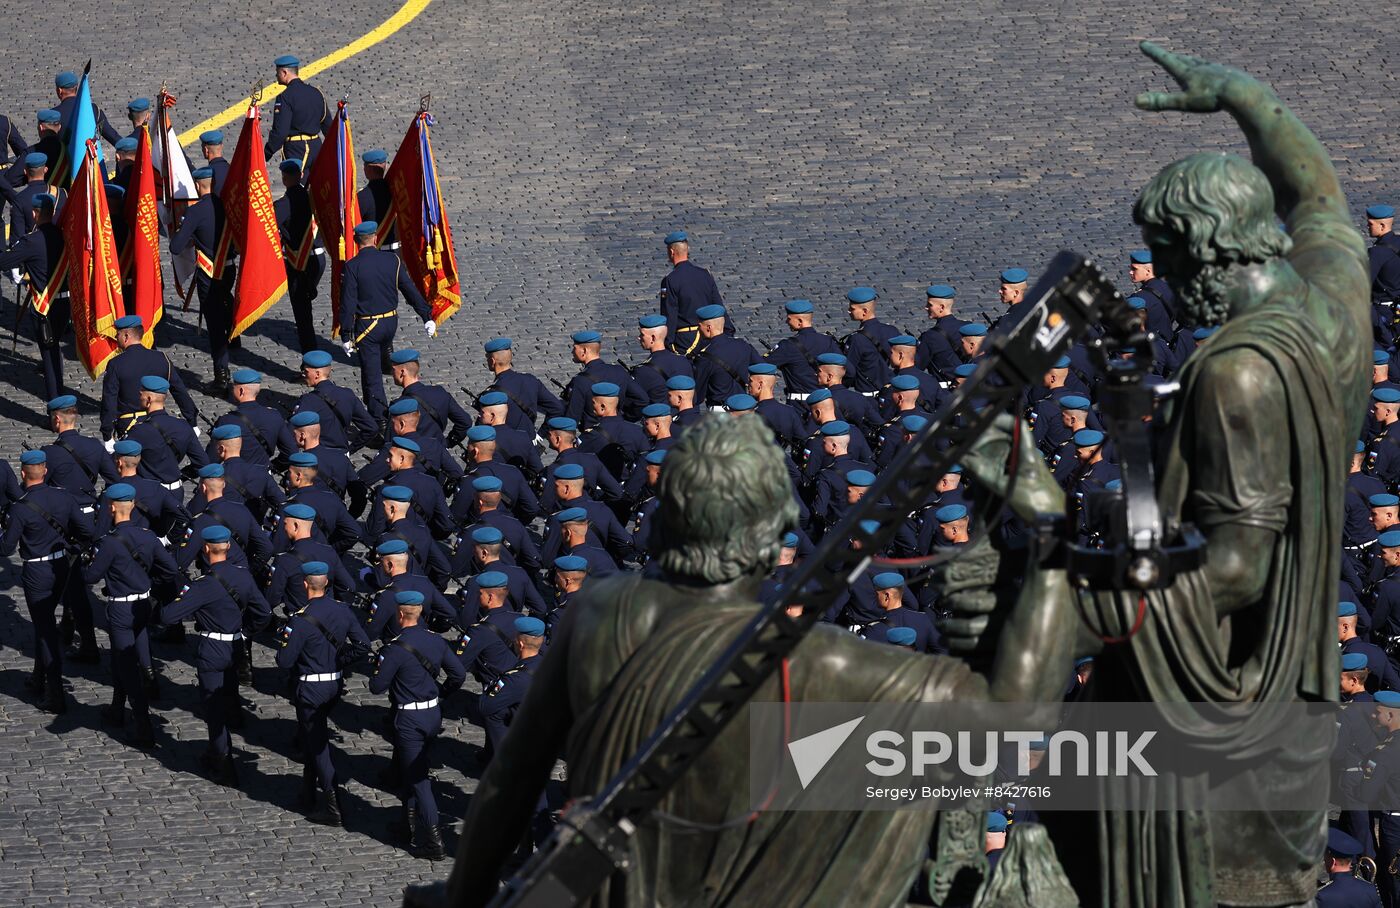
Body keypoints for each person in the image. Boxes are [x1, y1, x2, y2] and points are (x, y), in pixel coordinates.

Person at [443, 413, 1079, 906]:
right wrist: (1047, 534)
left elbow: (509, 785)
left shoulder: (597, 611)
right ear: (773, 536)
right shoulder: (823, 660)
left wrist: (461, 898)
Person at [160, 525, 272, 784]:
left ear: (206, 549)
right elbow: (264, 613)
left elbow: (168, 616)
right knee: (229, 693)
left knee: (213, 708)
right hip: (235, 646)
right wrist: (245, 633)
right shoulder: (243, 576)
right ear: (229, 547)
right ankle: (217, 748)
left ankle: (223, 763)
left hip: (212, 649)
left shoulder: (204, 585)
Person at [367, 590, 465, 858]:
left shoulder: (395, 649)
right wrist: (441, 693)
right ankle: (406, 824)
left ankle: (434, 842)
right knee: (412, 770)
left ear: (400, 615)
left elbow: (377, 687)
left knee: (419, 780)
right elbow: (458, 674)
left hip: (409, 719)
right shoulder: (436, 641)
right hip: (432, 715)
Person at [85, 483, 180, 748]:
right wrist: (149, 580)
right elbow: (171, 569)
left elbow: (91, 577)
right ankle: (117, 707)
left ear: (112, 507)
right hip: (143, 605)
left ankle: (142, 724)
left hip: (121, 609)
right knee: (127, 656)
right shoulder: (147, 536)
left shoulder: (110, 544)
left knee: (126, 666)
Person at [0, 450, 95, 711]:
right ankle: (38, 676)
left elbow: (6, 549)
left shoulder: (20, 509)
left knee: (44, 629)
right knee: (44, 623)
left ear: (22, 474)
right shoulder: (63, 497)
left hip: (37, 572)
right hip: (61, 565)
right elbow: (87, 531)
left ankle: (54, 693)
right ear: (44, 470)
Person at [276, 560, 369, 825]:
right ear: (326, 582)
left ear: (305, 584)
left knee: (318, 746)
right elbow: (362, 645)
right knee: (310, 738)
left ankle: (332, 805)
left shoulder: (300, 620)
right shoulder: (342, 610)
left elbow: (284, 661)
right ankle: (307, 793)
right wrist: (340, 660)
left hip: (311, 687)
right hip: (334, 684)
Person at [338, 221, 436, 424]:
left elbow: (348, 303)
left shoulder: (352, 267)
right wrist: (426, 316)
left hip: (368, 328)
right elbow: (409, 289)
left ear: (357, 242)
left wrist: (346, 334)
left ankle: (379, 419)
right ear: (375, 239)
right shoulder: (392, 261)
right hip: (390, 323)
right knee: (384, 359)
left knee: (371, 376)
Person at [169, 166, 236, 392]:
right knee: (227, 302)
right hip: (229, 269)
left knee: (215, 326)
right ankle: (234, 336)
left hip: (210, 274)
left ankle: (222, 375)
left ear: (198, 185)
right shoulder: (226, 204)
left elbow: (176, 246)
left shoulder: (196, 211)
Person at [0, 193, 67, 400]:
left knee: (48, 354)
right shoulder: (63, 234)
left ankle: (57, 402)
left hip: (44, 306)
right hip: (65, 303)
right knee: (54, 348)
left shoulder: (31, 241)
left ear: (34, 213)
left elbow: (4, 262)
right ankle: (60, 389)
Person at [101, 315, 199, 442]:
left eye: (117, 334)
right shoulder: (162, 358)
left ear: (126, 336)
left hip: (130, 427)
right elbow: (179, 391)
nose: (115, 337)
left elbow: (109, 400)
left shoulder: (116, 364)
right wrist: (192, 421)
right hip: (160, 425)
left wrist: (107, 434)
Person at [273, 159, 325, 353]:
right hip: (318, 259)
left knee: (303, 316)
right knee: (305, 309)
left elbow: (270, 228)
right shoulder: (311, 196)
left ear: (285, 179)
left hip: (299, 264)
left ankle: (310, 360)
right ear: (300, 176)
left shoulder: (284, 204)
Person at [478, 615, 546, 757]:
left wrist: (489, 688)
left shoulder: (516, 677)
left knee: (494, 713)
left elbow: (485, 707)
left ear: (520, 644)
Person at [124, 376, 208, 488]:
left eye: (141, 394)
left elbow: (121, 463)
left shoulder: (140, 431)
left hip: (150, 492)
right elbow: (203, 464)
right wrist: (181, 475)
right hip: (176, 492)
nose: (139, 397)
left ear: (149, 399)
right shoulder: (183, 426)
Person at [293, 350, 379, 450]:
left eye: (305, 371)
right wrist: (350, 450)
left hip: (320, 456)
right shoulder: (347, 394)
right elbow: (372, 428)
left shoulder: (308, 400)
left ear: (317, 374)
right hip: (342, 456)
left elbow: (292, 432)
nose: (303, 375)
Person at [210, 369, 296, 466]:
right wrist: (275, 466)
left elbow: (211, 459)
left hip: (237, 477)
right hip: (264, 477)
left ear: (241, 391)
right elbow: (291, 452)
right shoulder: (274, 415)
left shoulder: (227, 420)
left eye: (233, 386)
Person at [658, 230, 724, 356]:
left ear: (671, 252)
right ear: (687, 250)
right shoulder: (705, 274)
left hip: (685, 340)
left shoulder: (670, 280)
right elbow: (718, 305)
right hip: (709, 336)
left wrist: (667, 344)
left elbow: (669, 314)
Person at [390, 348, 475, 445]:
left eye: (393, 370)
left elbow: (390, 441)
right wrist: (448, 443)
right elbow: (465, 421)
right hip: (439, 452)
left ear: (402, 372)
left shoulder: (400, 405)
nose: (392, 374)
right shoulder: (439, 392)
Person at [263, 55, 333, 168]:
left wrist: (266, 154)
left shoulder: (285, 97)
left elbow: (280, 132)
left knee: (296, 185)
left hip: (296, 150)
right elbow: (328, 125)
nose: (276, 76)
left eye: (277, 72)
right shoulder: (316, 93)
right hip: (316, 148)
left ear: (284, 72)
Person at [765, 299, 842, 401]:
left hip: (799, 403)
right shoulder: (828, 341)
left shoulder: (788, 345)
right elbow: (848, 371)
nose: (787, 322)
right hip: (825, 401)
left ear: (800, 321)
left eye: (789, 319)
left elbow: (763, 365)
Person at [480, 337, 562, 432]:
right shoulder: (530, 380)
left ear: (492, 361)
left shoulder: (492, 393)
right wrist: (541, 434)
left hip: (507, 443)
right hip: (529, 441)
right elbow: (557, 408)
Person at [842, 286, 901, 393]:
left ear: (865, 311)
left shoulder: (856, 339)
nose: (849, 311)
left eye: (852, 308)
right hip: (889, 392)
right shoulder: (892, 331)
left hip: (867, 394)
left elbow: (849, 371)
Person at [631, 314, 693, 403]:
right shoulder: (683, 361)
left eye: (642, 334)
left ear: (653, 337)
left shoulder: (643, 370)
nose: (639, 337)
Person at [50, 70, 121, 144]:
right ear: (76, 88)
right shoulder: (94, 110)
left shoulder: (53, 115)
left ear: (59, 90)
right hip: (90, 154)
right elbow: (112, 136)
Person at [1316, 827, 1382, 907]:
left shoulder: (1321, 896)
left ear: (1333, 862)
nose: (1324, 860)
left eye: (1325, 857)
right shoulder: (1371, 890)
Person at [1128, 248, 1177, 338]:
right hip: (1168, 340)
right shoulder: (1168, 287)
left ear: (1148, 271)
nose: (1130, 272)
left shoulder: (1139, 298)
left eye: (1134, 269)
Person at [356, 149, 397, 249]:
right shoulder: (396, 190)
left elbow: (355, 222)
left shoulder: (362, 196)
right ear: (385, 166)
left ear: (367, 169)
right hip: (397, 251)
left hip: (376, 250)